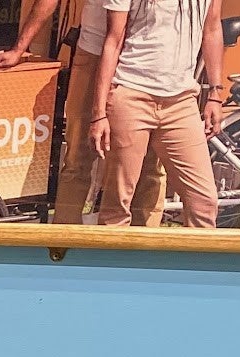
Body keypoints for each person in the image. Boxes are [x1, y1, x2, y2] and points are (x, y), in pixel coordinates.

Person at [0, 0, 164, 226]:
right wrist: (19, 49)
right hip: (95, 53)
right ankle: (64, 246)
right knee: (78, 158)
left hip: (150, 67)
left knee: (151, 165)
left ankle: (148, 251)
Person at [89, 0, 224, 229]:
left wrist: (215, 92)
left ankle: (196, 264)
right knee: (118, 202)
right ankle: (111, 264)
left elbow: (212, 29)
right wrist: (99, 112)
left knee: (204, 201)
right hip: (131, 93)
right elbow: (113, 40)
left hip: (181, 100)